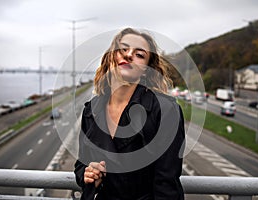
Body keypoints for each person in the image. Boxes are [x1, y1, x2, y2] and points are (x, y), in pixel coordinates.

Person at [74, 27, 185, 200]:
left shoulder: (165, 110)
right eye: (123, 49)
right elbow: (81, 164)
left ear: (146, 69)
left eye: (139, 55)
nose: (128, 55)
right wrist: (88, 175)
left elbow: (166, 185)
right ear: (112, 56)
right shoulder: (91, 109)